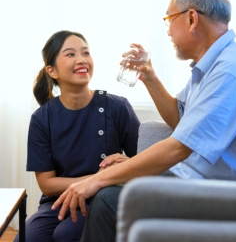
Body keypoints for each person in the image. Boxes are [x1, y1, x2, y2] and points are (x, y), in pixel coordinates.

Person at [52, 0, 236, 242]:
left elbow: (179, 147)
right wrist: (150, 77)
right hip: (198, 181)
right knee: (111, 187)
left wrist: (95, 180)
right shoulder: (211, 67)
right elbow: (181, 120)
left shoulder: (230, 72)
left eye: (169, 19)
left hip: (227, 196)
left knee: (107, 200)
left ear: (191, 18)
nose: (168, 31)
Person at [13, 31, 140, 242]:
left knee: (67, 235)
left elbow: (145, 160)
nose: (82, 60)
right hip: (57, 202)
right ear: (51, 70)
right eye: (70, 54)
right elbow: (47, 184)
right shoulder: (42, 118)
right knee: (26, 239)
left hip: (103, 200)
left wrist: (125, 164)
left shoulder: (117, 107)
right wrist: (98, 178)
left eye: (86, 53)